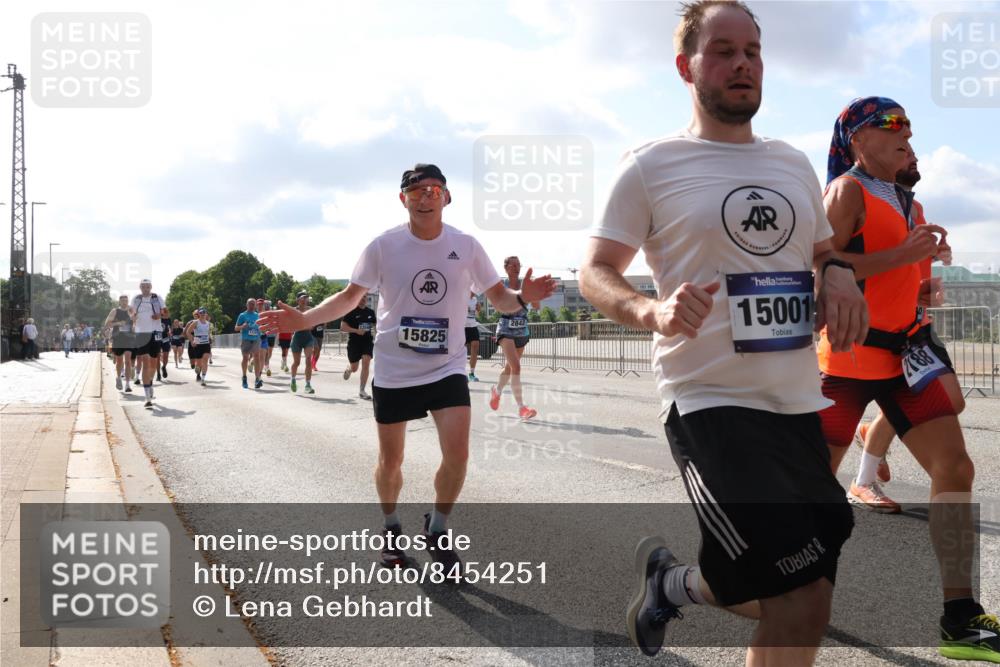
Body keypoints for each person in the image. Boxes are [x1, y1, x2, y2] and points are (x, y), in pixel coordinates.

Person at [578, 3, 868, 663]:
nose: (744, 64)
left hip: (798, 402)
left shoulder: (792, 164)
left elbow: (824, 253)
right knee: (796, 598)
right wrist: (651, 309)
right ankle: (676, 582)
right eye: (725, 51)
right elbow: (595, 271)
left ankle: (671, 583)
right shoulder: (650, 165)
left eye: (754, 51)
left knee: (805, 592)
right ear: (686, 67)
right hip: (710, 401)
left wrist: (840, 274)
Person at [259, 162, 555, 572]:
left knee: (458, 454)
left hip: (446, 366)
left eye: (434, 190)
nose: (425, 197)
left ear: (447, 197)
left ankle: (437, 528)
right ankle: (391, 525)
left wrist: (524, 296)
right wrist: (306, 319)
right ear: (403, 200)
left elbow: (500, 297)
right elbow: (349, 297)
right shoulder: (383, 246)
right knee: (391, 460)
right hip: (395, 369)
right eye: (416, 191)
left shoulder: (466, 246)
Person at [819, 96, 998, 662]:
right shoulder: (847, 191)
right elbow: (820, 267)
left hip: (901, 360)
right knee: (811, 491)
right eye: (890, 123)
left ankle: (960, 617)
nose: (906, 132)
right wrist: (903, 254)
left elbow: (907, 284)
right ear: (857, 139)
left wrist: (924, 277)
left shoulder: (910, 204)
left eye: (908, 125)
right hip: (845, 362)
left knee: (955, 467)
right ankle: (780, 590)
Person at [849, 149, 963, 498]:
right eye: (903, 153)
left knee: (952, 401)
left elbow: (908, 262)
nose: (914, 159)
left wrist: (935, 258)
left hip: (915, 327)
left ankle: (869, 442)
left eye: (913, 153)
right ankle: (863, 482)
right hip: (875, 330)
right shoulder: (855, 199)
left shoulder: (915, 208)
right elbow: (847, 264)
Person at [488, 256, 539, 419]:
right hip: (505, 328)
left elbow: (537, 306)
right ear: (506, 268)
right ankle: (522, 408)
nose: (517, 267)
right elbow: (498, 306)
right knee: (516, 367)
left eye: (519, 264)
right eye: (513, 265)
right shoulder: (501, 285)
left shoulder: (526, 283)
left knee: (510, 368)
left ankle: (497, 391)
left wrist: (535, 294)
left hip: (522, 329)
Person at [131, 279, 166, 408]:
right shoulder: (136, 298)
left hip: (156, 331)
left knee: (153, 363)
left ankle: (150, 381)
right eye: (143, 286)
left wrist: (159, 315)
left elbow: (166, 312)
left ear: (151, 287)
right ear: (140, 287)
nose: (145, 288)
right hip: (141, 333)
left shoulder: (157, 297)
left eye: (147, 286)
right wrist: (133, 317)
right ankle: (147, 397)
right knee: (145, 362)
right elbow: (131, 312)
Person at [341, 292, 376, 400]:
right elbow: (343, 327)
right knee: (355, 368)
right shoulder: (351, 311)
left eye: (365, 297)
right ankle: (349, 369)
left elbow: (375, 324)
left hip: (367, 341)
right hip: (354, 343)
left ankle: (362, 390)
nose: (363, 299)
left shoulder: (370, 312)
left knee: (366, 362)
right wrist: (356, 331)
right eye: (361, 297)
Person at [104, 295, 136, 392]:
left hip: (129, 338)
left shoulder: (131, 310)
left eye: (126, 300)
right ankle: (118, 378)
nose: (124, 302)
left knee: (127, 360)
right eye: (122, 301)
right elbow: (107, 324)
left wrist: (134, 323)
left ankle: (127, 384)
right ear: (119, 302)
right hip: (118, 338)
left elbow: (136, 322)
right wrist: (118, 324)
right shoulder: (115, 311)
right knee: (119, 361)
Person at [288, 291, 316, 394]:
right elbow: (291, 325)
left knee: (308, 360)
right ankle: (293, 379)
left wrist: (309, 325)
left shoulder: (310, 310)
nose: (305, 300)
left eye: (306, 298)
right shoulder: (293, 311)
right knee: (297, 362)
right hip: (297, 338)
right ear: (298, 300)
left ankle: (308, 385)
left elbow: (313, 324)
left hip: (308, 337)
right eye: (303, 298)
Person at [235, 298, 264, 389]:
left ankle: (257, 379)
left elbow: (261, 326)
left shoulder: (258, 315)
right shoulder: (242, 315)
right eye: (250, 304)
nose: (252, 306)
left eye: (253, 304)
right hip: (246, 339)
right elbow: (236, 328)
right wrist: (242, 326)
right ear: (247, 305)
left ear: (255, 305)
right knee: (245, 358)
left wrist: (262, 329)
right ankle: (244, 377)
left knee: (257, 357)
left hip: (256, 339)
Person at [184, 308, 212, 386]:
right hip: (198, 345)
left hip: (206, 344)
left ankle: (203, 379)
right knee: (199, 363)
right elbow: (188, 332)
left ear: (206, 314)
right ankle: (198, 368)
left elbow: (208, 333)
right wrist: (192, 341)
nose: (203, 314)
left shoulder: (208, 323)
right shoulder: (195, 322)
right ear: (198, 314)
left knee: (205, 360)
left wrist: (210, 338)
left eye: (204, 313)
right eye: (201, 313)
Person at [464, 292, 481, 381]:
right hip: (462, 326)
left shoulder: (475, 300)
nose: (476, 292)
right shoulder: (462, 297)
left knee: (475, 346)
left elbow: (477, 315)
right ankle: (461, 372)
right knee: (462, 350)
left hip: (473, 325)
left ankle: (472, 373)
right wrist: (463, 309)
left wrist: (478, 310)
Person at [157, 307, 172, 381]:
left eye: (166, 312)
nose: (165, 313)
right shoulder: (157, 318)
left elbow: (169, 327)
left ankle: (163, 367)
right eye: (163, 312)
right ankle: (158, 374)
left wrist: (170, 331)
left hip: (165, 339)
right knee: (157, 356)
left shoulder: (168, 319)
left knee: (166, 356)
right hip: (157, 338)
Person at [263, 299, 276, 376]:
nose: (267, 306)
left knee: (270, 352)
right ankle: (267, 366)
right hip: (265, 335)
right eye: (266, 305)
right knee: (266, 351)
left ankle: (265, 363)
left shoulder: (273, 313)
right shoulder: (262, 313)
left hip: (272, 335)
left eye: (268, 305)